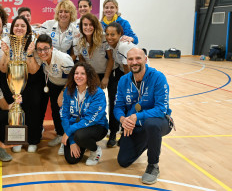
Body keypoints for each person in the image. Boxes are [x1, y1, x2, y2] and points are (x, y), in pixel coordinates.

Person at [114, 48, 173, 185]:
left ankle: (153, 165)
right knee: (123, 161)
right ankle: (150, 139)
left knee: (151, 125)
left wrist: (136, 116)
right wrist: (123, 120)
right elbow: (118, 107)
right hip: (135, 125)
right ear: (127, 62)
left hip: (160, 122)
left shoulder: (158, 77)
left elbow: (161, 109)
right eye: (130, 59)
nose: (134, 62)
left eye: (138, 58)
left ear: (145, 59)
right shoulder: (123, 80)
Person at [0, 15, 46, 153]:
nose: (19, 28)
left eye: (23, 26)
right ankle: (17, 139)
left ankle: (33, 140)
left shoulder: (34, 42)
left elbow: (34, 70)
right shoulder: (7, 41)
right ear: (12, 28)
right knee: (15, 110)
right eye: (16, 25)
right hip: (12, 82)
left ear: (28, 28)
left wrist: (30, 54)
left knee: (33, 110)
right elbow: (2, 68)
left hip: (31, 82)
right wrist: (6, 53)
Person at [76, 13, 121, 148]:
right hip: (92, 74)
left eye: (91, 24)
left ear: (95, 26)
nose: (88, 27)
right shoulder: (80, 41)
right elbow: (82, 61)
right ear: (81, 26)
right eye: (85, 24)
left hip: (110, 73)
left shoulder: (103, 39)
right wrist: (92, 78)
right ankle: (94, 129)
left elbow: (111, 60)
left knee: (113, 102)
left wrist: (106, 77)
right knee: (91, 103)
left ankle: (113, 133)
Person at [28, 34, 74, 155]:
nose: (42, 52)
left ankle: (68, 140)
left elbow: (73, 78)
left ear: (52, 48)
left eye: (45, 49)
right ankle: (60, 134)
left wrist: (63, 92)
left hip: (68, 85)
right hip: (53, 83)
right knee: (55, 110)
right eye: (39, 49)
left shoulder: (63, 59)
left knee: (65, 112)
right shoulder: (38, 56)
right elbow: (33, 69)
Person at [60, 62, 108, 165]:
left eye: (83, 73)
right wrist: (72, 141)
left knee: (80, 135)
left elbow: (91, 119)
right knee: (71, 159)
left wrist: (68, 132)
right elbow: (64, 115)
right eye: (76, 73)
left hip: (97, 126)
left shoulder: (98, 93)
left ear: (89, 76)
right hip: (76, 127)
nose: (79, 76)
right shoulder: (69, 90)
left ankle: (95, 150)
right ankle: (80, 142)